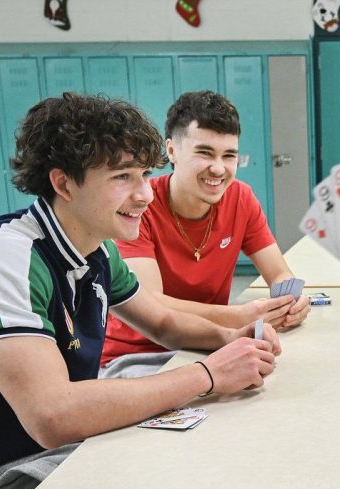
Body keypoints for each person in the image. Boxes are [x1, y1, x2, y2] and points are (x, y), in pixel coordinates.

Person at [0, 93, 281, 489]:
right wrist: (207, 374)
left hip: (55, 448)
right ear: (63, 183)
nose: (144, 193)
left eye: (144, 175)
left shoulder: (95, 251)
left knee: (206, 459)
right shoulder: (5, 256)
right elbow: (53, 415)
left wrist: (230, 338)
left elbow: (161, 321)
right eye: (122, 177)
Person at [100, 90, 309, 378]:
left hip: (207, 345)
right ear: (171, 151)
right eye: (205, 153)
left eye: (229, 156)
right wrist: (238, 316)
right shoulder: (139, 207)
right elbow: (152, 303)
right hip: (139, 356)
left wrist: (291, 301)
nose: (218, 168)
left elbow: (279, 273)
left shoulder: (240, 198)